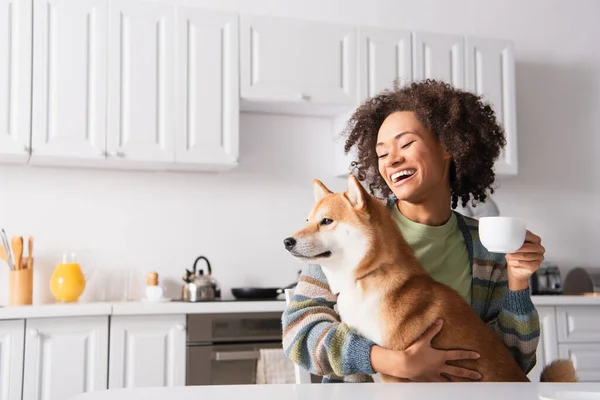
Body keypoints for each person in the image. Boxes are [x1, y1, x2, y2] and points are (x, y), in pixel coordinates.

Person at [281, 79, 545, 383]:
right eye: (381, 153)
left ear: (448, 146)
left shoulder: (486, 244)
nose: (392, 159)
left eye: (406, 144)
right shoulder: (351, 231)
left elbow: (512, 361)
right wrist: (390, 361)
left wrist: (518, 283)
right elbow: (299, 332)